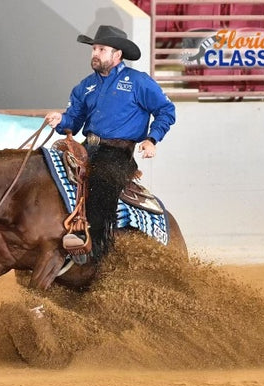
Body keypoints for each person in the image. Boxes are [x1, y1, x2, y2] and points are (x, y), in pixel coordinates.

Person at [45, 24, 176, 261]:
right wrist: (60, 119)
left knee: (100, 183)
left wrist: (151, 138)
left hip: (117, 153)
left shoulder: (138, 82)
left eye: (102, 49)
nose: (95, 53)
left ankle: (93, 252)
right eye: (94, 49)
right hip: (88, 147)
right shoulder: (85, 86)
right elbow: (73, 123)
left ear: (117, 55)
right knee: (49, 171)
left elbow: (166, 110)